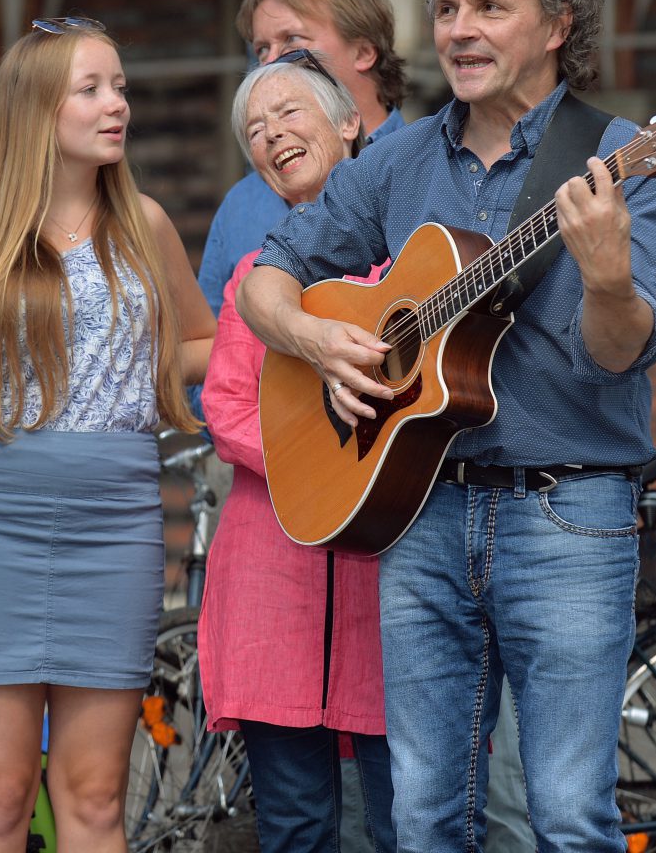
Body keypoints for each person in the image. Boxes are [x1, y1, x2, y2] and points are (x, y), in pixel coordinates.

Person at [236, 0, 656, 852]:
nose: (459, 30)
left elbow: (620, 353)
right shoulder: (395, 163)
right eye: (445, 8)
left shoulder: (621, 159)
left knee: (567, 815)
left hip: (568, 514)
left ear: (557, 24)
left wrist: (607, 281)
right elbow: (269, 274)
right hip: (421, 511)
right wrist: (316, 344)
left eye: (488, 7)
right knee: (425, 814)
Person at [0, 17, 216, 852]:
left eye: (121, 86)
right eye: (91, 89)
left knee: (96, 797)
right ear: (35, 108)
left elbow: (199, 347)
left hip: (115, 521)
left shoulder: (146, 222)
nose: (116, 105)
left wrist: (288, 325)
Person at [197, 52, 395, 853]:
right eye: (254, 130)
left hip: (388, 583)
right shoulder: (254, 277)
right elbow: (224, 405)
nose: (271, 135)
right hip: (270, 582)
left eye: (288, 115)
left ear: (350, 124)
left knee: (409, 816)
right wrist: (326, 462)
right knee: (294, 824)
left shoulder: (409, 268)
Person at [197, 0, 407, 318]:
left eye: (291, 41)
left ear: (363, 51)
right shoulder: (242, 203)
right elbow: (218, 350)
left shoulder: (427, 162)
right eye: (262, 49)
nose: (273, 63)